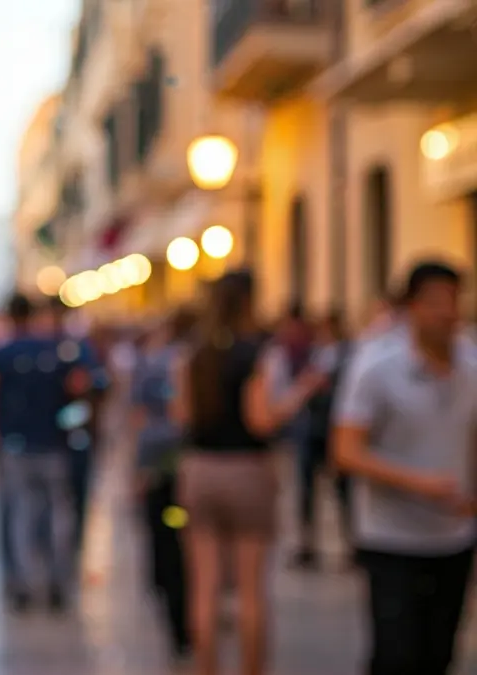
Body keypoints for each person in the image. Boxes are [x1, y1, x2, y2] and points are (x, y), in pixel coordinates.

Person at [170, 270, 325, 675]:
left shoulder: (193, 353)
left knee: (203, 588)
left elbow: (181, 414)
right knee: (251, 590)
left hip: (199, 468)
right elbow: (260, 420)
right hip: (246, 469)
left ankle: (206, 668)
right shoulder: (257, 352)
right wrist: (298, 395)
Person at [334, 261, 476, 675]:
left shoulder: (469, 363)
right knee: (396, 654)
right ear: (411, 307)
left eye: (453, 301)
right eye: (435, 302)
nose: (447, 312)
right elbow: (345, 450)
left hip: (453, 535)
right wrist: (418, 483)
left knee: (440, 652)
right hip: (390, 535)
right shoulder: (377, 367)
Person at [0, 294, 88, 614]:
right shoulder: (60, 353)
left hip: (16, 442)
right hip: (54, 443)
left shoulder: (1, 354)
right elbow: (80, 394)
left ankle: (24, 582)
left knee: (22, 513)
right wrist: (72, 428)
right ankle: (57, 578)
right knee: (57, 513)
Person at [131, 309, 196, 662]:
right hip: (193, 467)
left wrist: (137, 470)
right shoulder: (200, 361)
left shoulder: (153, 363)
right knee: (186, 539)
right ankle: (191, 613)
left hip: (163, 471)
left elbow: (139, 418)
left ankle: (178, 615)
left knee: (166, 539)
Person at [290, 311, 353, 569]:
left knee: (342, 489)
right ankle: (308, 542)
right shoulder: (315, 352)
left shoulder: (346, 353)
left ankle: (351, 542)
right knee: (306, 489)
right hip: (312, 427)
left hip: (332, 426)